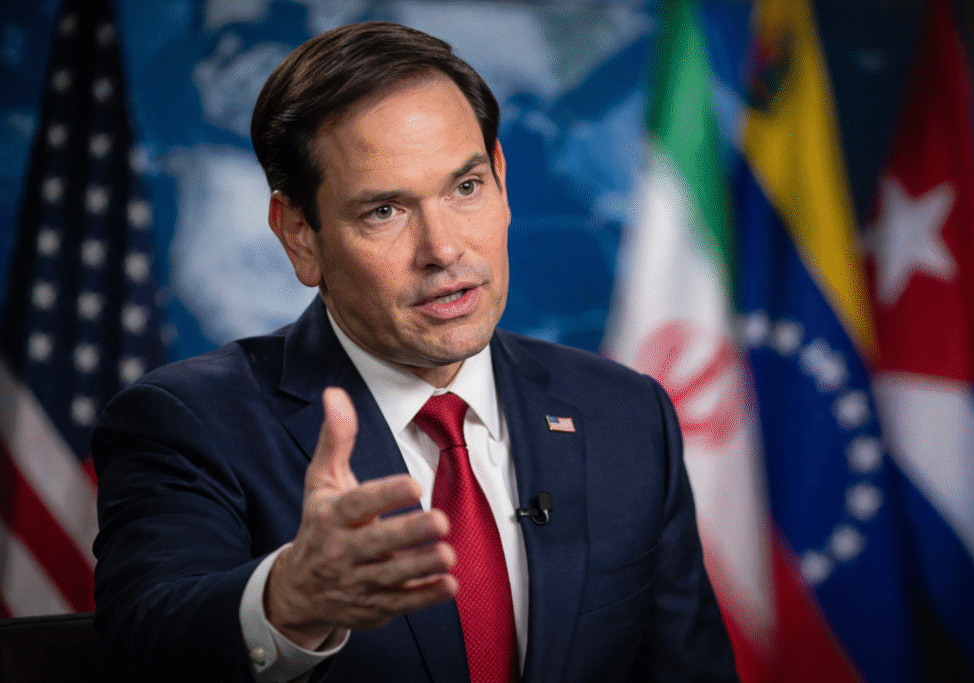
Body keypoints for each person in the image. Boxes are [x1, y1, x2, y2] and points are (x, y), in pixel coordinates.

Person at [91, 21, 738, 683]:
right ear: (300, 236)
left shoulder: (625, 414)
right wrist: (286, 601)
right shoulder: (186, 422)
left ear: (502, 180)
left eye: (465, 188)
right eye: (385, 211)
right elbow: (141, 645)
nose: (445, 249)